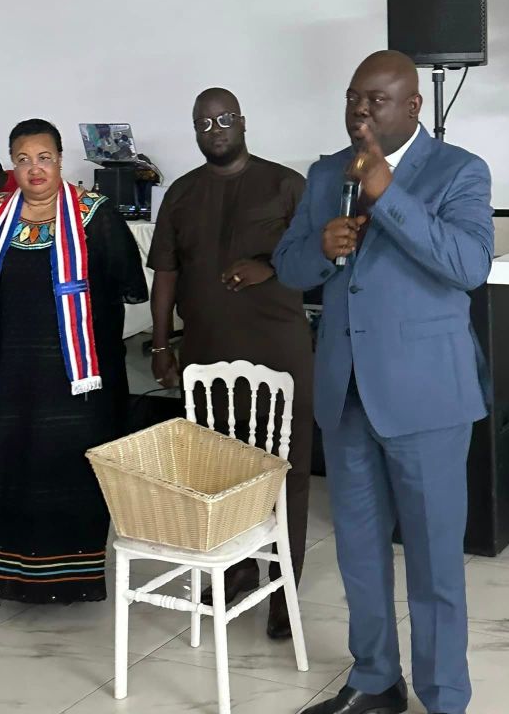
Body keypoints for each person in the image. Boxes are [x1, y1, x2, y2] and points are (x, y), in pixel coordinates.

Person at [273, 51, 493, 714]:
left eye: (376, 100)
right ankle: (375, 680)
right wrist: (322, 249)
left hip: (426, 397)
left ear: (413, 106)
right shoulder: (324, 174)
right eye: (352, 98)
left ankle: (444, 696)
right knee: (359, 553)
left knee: (433, 560)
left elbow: (469, 265)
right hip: (346, 394)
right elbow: (288, 266)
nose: (360, 112)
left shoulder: (459, 170)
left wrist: (387, 195)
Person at [0, 118, 148, 627]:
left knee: (71, 474)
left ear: (61, 160)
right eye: (23, 159)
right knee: (9, 473)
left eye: (44, 157)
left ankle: (73, 580)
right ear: (12, 165)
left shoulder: (94, 214)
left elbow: (129, 286)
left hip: (78, 378)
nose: (35, 169)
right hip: (16, 374)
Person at [147, 88, 313, 640]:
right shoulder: (182, 193)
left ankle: (284, 588)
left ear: (242, 122)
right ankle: (237, 568)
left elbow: (316, 256)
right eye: (203, 123)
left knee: (284, 469)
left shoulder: (286, 184)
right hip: (207, 352)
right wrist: (161, 343)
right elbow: (166, 272)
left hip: (278, 350)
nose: (214, 130)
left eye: (223, 120)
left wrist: (270, 266)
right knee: (218, 470)